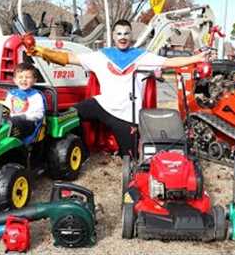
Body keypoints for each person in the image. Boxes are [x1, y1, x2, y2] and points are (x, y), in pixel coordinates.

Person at [26, 19, 211, 156]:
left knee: (130, 157)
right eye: (119, 34)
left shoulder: (143, 57)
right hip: (102, 105)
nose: (123, 37)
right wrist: (40, 51)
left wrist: (196, 59)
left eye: (126, 33)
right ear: (113, 36)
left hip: (127, 115)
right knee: (66, 117)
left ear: (131, 36)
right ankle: (76, 152)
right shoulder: (101, 55)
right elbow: (68, 58)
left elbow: (171, 62)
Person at [4, 63, 45, 141]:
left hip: (28, 123)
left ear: (34, 80)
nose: (24, 80)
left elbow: (39, 114)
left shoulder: (36, 96)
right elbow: (6, 108)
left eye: (28, 77)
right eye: (20, 77)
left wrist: (24, 116)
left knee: (14, 123)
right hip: (11, 121)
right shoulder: (12, 94)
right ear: (15, 80)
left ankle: (13, 145)